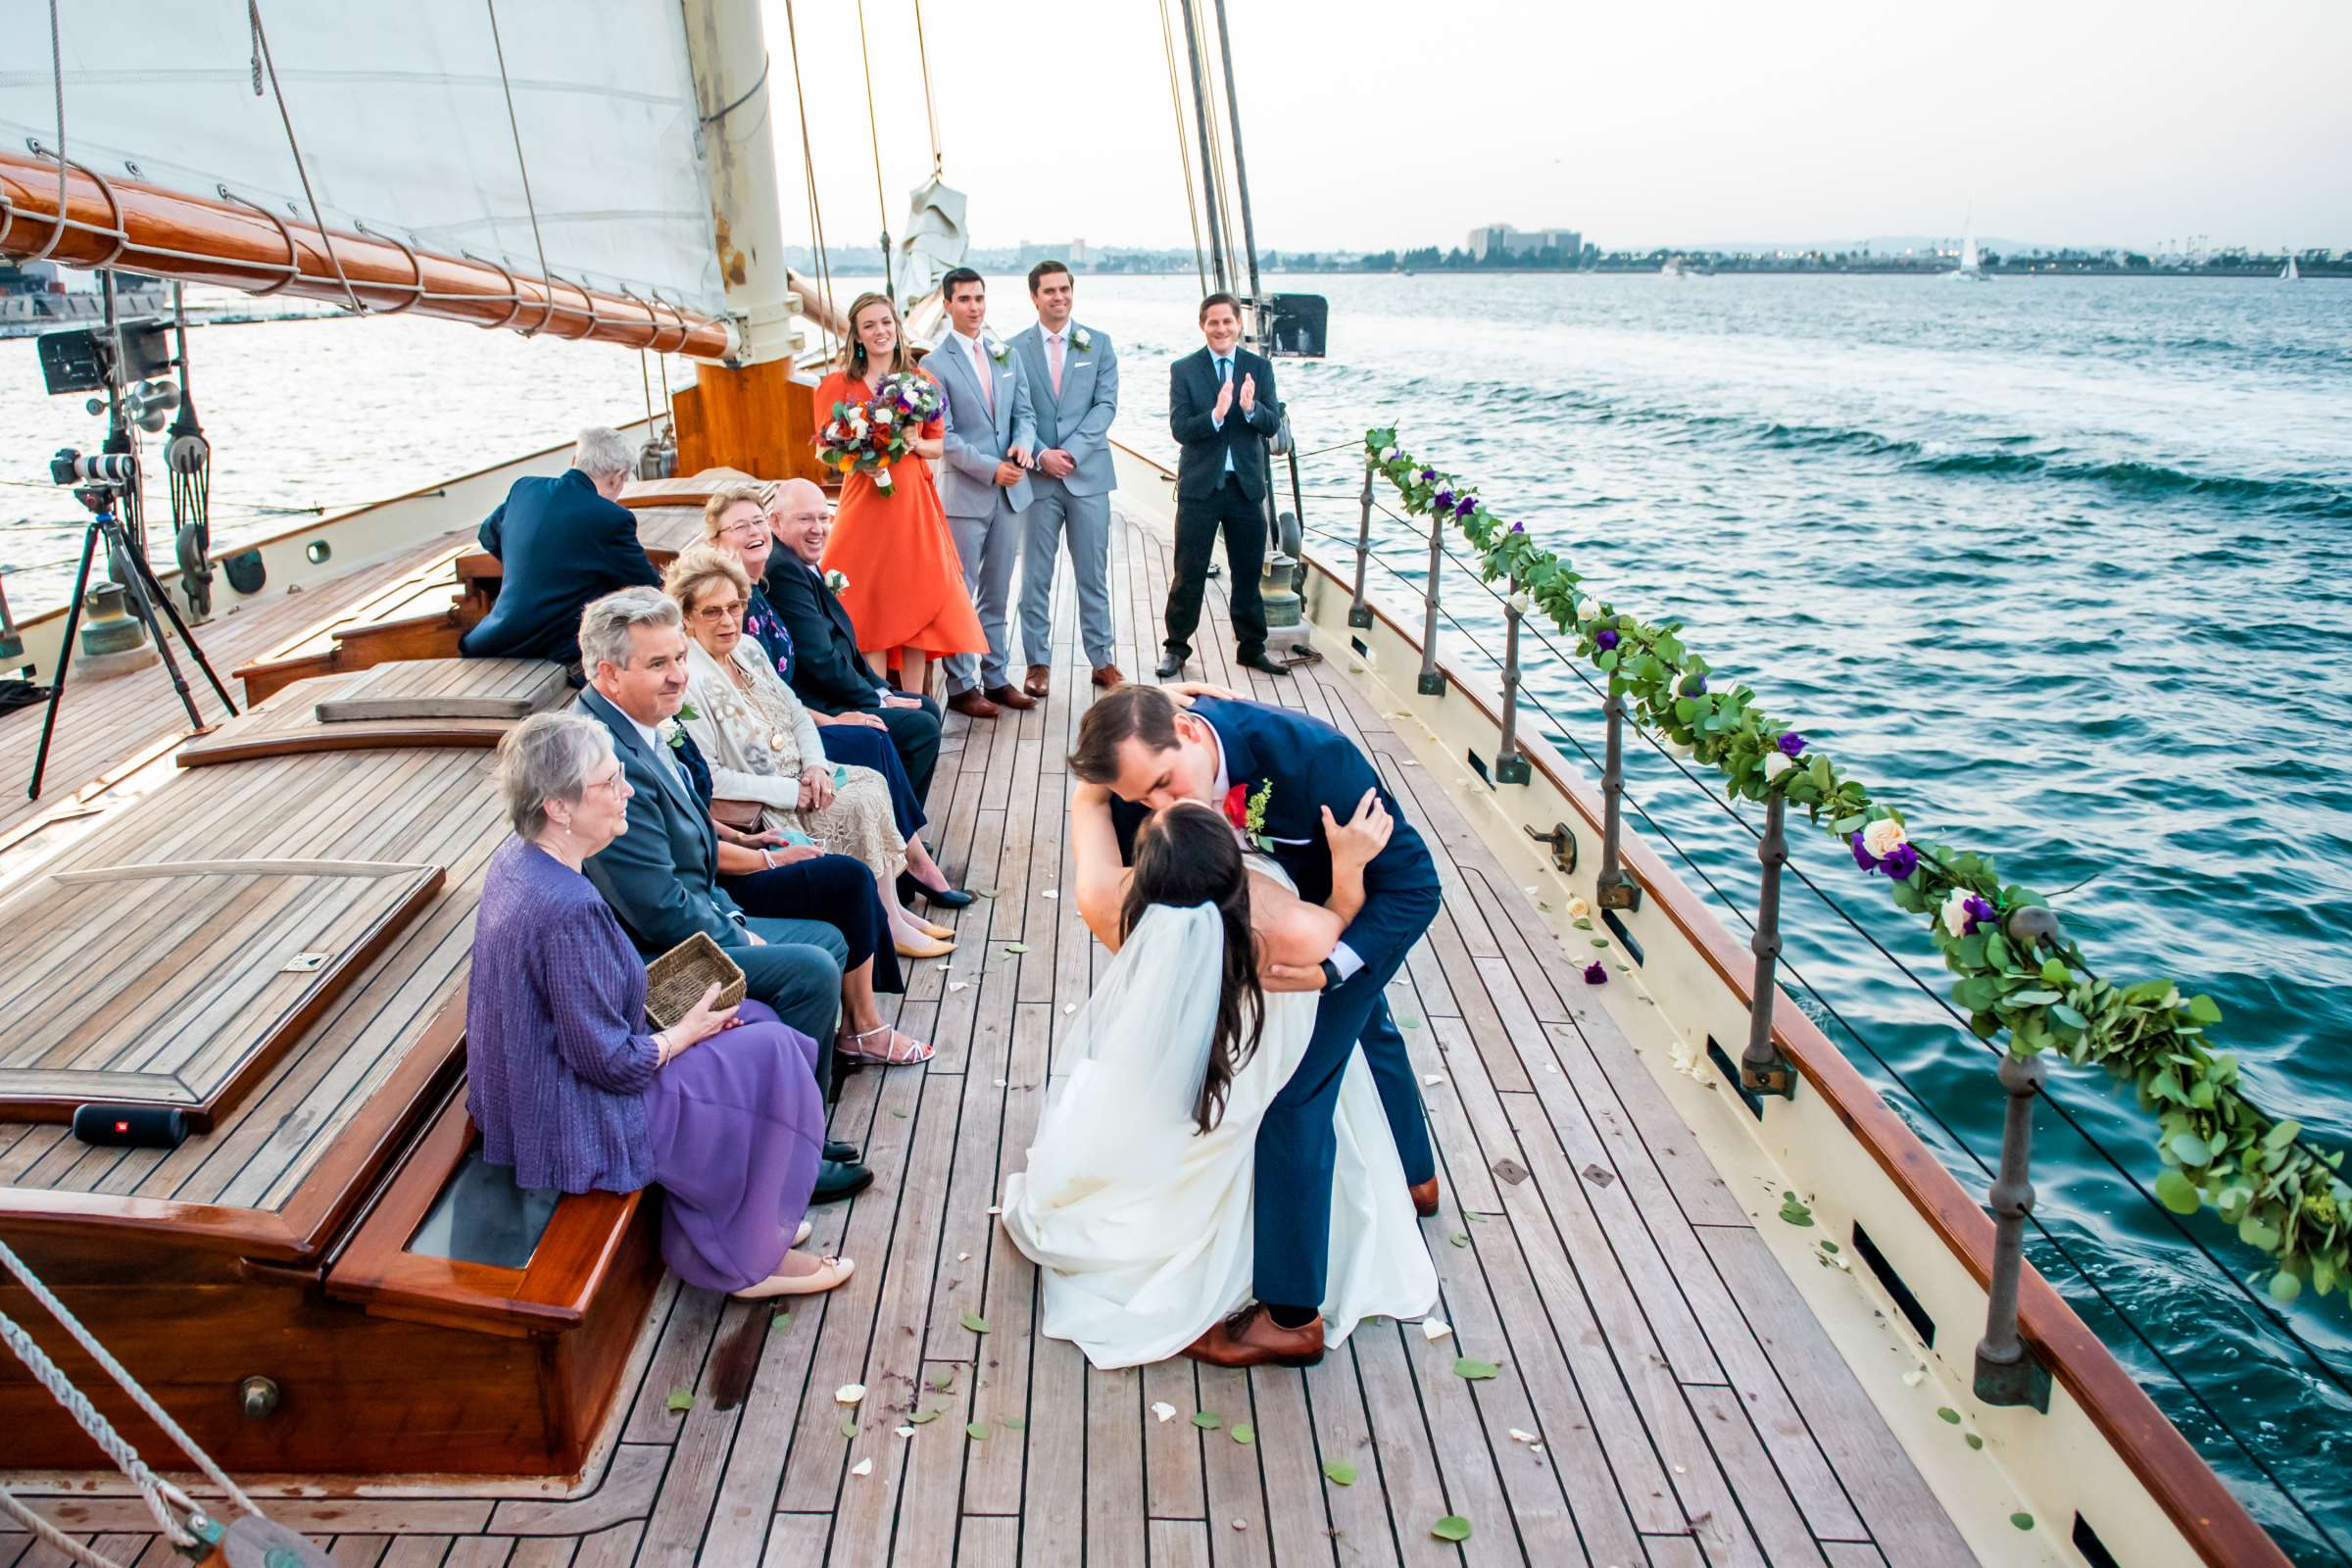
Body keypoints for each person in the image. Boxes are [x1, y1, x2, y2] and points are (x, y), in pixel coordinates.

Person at [1066, 685, 1444, 1367]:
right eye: (1139, 800)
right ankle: (1414, 1176)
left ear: (1189, 730)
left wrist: (1337, 967)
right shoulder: (1141, 788)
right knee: (1370, 1028)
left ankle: (1292, 1315)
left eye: (1162, 783)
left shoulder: (1314, 762)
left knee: (1297, 1094)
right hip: (1269, 944)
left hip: (1332, 937)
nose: (1162, 807)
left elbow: (1417, 886)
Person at [466, 712, 853, 1298]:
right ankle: (743, 1260)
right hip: (572, 1114)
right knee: (769, 1049)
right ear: (559, 807)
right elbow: (612, 1066)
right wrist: (688, 1031)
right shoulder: (568, 907)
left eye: (622, 773)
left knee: (764, 1025)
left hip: (542, 1083)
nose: (626, 790)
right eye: (608, 782)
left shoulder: (523, 860)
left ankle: (746, 1220)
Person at [572, 588, 876, 1200]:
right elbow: (655, 907)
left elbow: (688, 851)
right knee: (812, 968)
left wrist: (735, 897)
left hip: (698, 913)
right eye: (658, 664)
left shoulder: (641, 729)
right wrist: (740, 932)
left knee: (828, 933)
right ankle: (788, 1157)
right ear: (607, 674)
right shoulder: (601, 758)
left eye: (679, 658)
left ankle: (802, 1124)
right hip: (648, 963)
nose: (678, 675)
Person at [663, 542, 956, 980]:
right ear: (686, 616)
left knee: (871, 782)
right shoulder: (693, 680)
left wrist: (817, 765)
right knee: (856, 801)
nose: (727, 620)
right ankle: (886, 924)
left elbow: (796, 712)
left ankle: (892, 911)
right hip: (765, 803)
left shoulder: (748, 650)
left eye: (734, 606)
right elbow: (715, 779)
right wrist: (792, 791)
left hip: (802, 774)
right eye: (711, 612)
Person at [709, 481, 967, 920]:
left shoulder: (765, 585)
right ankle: (910, 859)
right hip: (778, 739)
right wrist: (840, 717)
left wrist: (878, 694)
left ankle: (902, 845)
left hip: (797, 716)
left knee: (918, 712)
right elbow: (799, 672)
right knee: (886, 735)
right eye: (741, 526)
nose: (817, 528)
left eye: (756, 521)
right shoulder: (742, 606)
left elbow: (800, 674)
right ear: (718, 540)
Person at [760, 479, 955, 855]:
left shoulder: (799, 561)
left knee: (925, 707)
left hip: (832, 687)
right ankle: (896, 845)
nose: (817, 528)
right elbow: (819, 658)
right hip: (818, 701)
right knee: (919, 728)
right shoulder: (784, 571)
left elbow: (844, 647)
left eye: (823, 517)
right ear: (776, 522)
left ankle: (898, 833)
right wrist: (876, 700)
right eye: (804, 519)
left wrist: (882, 690)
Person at [813, 291, 985, 704]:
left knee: (913, 593)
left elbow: (938, 445)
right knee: (865, 597)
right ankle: (880, 700)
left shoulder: (921, 382)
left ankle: (917, 702)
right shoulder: (837, 385)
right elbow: (822, 449)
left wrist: (913, 440)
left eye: (886, 323)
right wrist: (856, 461)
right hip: (863, 501)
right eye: (869, 325)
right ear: (856, 334)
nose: (880, 331)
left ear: (897, 327)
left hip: (910, 500)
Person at [928, 267, 1039, 719]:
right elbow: (946, 438)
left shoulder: (1005, 354)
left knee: (996, 592)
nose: (975, 307)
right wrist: (993, 469)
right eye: (965, 300)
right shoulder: (934, 365)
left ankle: (996, 678)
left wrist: (1025, 445)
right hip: (967, 498)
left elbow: (1026, 414)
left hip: (1010, 494)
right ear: (947, 304)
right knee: (962, 593)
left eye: (979, 298)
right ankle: (961, 686)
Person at [1159, 294, 1289, 681]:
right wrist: (1215, 415)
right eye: (1213, 323)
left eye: (1227, 322)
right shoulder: (1184, 369)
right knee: (1189, 570)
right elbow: (1180, 428)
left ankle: (1252, 647)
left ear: (1238, 325)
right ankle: (1176, 648)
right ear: (1202, 325)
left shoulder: (1258, 368)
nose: (1220, 329)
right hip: (1201, 486)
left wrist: (1249, 408)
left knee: (1248, 571)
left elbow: (1270, 425)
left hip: (1246, 487)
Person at [1009, 261, 1122, 698]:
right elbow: (1015, 411)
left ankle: (1102, 660)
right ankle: (1037, 663)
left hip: (1088, 475)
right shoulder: (1013, 349)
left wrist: (1070, 453)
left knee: (1092, 574)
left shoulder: (1100, 344)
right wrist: (1040, 454)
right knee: (1036, 576)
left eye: (1064, 289)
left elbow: (1105, 406)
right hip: (1037, 480)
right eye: (1049, 291)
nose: (1058, 297)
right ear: (1034, 297)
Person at [460, 426, 661, 666]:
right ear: (618, 477)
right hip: (553, 649)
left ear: (575, 460)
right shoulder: (612, 518)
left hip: (489, 639)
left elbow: (488, 538)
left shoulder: (524, 488)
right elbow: (650, 587)